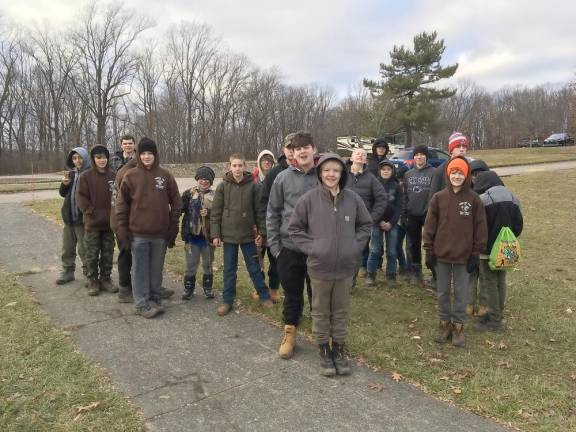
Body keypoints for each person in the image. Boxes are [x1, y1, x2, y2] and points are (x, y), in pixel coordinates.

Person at [289, 153, 372, 376]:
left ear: (342, 173)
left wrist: (354, 246)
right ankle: (323, 348)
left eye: (336, 170)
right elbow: (295, 229)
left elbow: (366, 225)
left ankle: (339, 348)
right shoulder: (309, 199)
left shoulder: (353, 199)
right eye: (326, 170)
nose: (331, 174)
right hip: (319, 268)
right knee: (321, 310)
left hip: (345, 268)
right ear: (320, 173)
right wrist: (314, 248)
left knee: (341, 310)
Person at [423, 156, 487, 347]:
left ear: (466, 175)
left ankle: (458, 326)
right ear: (448, 174)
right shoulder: (439, 198)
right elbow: (430, 226)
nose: (457, 176)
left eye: (460, 173)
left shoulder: (474, 199)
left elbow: (480, 227)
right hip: (441, 254)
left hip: (464, 256)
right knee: (442, 292)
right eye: (454, 172)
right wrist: (429, 250)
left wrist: (476, 253)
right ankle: (444, 323)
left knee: (461, 293)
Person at [267, 131, 319, 359]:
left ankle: (322, 333)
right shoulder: (283, 178)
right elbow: (273, 212)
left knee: (317, 293)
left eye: (306, 146)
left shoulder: (325, 175)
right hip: (289, 248)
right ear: (293, 153)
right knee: (292, 293)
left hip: (318, 248)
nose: (303, 151)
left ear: (314, 149)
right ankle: (289, 333)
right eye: (298, 148)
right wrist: (275, 247)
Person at [116, 138, 182, 318]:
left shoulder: (165, 175)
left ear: (155, 155)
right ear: (138, 155)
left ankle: (154, 297)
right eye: (143, 153)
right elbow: (121, 206)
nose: (146, 157)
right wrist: (122, 231)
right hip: (138, 234)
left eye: (150, 153)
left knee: (156, 268)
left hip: (160, 233)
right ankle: (141, 303)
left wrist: (173, 225)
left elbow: (176, 201)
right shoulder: (130, 176)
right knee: (139, 270)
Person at [210, 154, 273, 316]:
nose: (237, 169)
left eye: (240, 166)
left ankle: (264, 295)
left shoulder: (253, 185)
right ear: (229, 167)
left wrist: (261, 232)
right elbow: (216, 212)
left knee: (254, 267)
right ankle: (227, 300)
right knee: (229, 269)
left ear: (245, 167)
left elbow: (260, 211)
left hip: (247, 235)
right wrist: (215, 234)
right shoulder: (223, 186)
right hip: (229, 235)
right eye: (234, 166)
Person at [473, 170, 523, 331]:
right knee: (501, 279)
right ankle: (498, 313)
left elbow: (477, 227)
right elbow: (518, 226)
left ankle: (494, 320)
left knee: (489, 282)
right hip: (506, 249)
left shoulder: (483, 200)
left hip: (487, 250)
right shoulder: (514, 198)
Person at [76, 145, 117, 296]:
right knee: (92, 253)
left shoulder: (113, 176)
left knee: (108, 252)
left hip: (109, 224)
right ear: (93, 159)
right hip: (92, 223)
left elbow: (117, 198)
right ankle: (92, 279)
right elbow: (80, 197)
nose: (102, 160)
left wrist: (115, 214)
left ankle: (105, 278)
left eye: (104, 157)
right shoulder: (86, 176)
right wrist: (90, 211)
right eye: (98, 157)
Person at [346, 148, 387, 281]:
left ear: (365, 160)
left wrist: (372, 217)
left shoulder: (371, 178)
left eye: (363, 155)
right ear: (351, 158)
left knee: (356, 252)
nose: (360, 155)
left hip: (361, 223)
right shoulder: (342, 175)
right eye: (357, 153)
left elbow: (382, 198)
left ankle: (351, 280)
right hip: (343, 220)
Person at [56, 147, 92, 285]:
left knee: (84, 249)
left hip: (82, 220)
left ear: (85, 158)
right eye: (74, 158)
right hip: (69, 219)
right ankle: (67, 271)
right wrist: (64, 185)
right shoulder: (70, 175)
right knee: (67, 248)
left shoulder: (89, 174)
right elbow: (63, 194)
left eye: (80, 157)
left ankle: (89, 273)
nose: (77, 161)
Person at [181, 166, 216, 300]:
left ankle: (208, 288)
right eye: (201, 178)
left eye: (207, 179)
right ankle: (188, 289)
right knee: (191, 265)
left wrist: (209, 213)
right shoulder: (188, 194)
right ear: (197, 179)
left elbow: (220, 215)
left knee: (208, 264)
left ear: (211, 181)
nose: (204, 181)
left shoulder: (215, 196)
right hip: (191, 238)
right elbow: (179, 209)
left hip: (208, 238)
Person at [402, 145, 435, 286]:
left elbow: (434, 195)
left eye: (422, 154)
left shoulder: (434, 172)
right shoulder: (408, 174)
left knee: (430, 245)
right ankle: (416, 272)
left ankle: (434, 273)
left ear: (426, 156)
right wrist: (404, 213)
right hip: (412, 215)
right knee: (413, 244)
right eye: (416, 155)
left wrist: (430, 211)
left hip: (429, 214)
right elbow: (405, 196)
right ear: (413, 157)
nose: (419, 157)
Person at [366, 160, 402, 287]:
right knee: (375, 250)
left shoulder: (396, 186)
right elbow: (371, 204)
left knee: (392, 251)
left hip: (392, 224)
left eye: (388, 169)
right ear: (379, 171)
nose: (385, 171)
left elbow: (399, 206)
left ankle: (391, 275)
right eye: (383, 169)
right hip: (377, 223)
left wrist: (391, 223)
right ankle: (371, 274)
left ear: (392, 171)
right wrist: (379, 220)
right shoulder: (374, 184)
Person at [251, 149, 281, 303]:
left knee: (275, 259)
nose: (267, 163)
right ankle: (259, 287)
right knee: (258, 258)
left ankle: (274, 289)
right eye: (264, 161)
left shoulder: (278, 178)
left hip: (274, 226)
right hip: (257, 226)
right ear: (259, 162)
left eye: (269, 161)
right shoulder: (252, 180)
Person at [466, 159, 491, 317]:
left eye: (479, 174)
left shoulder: (490, 193)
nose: (476, 177)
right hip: (468, 239)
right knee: (470, 273)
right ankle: (469, 303)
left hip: (485, 239)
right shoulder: (467, 192)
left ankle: (483, 304)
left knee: (484, 275)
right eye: (473, 174)